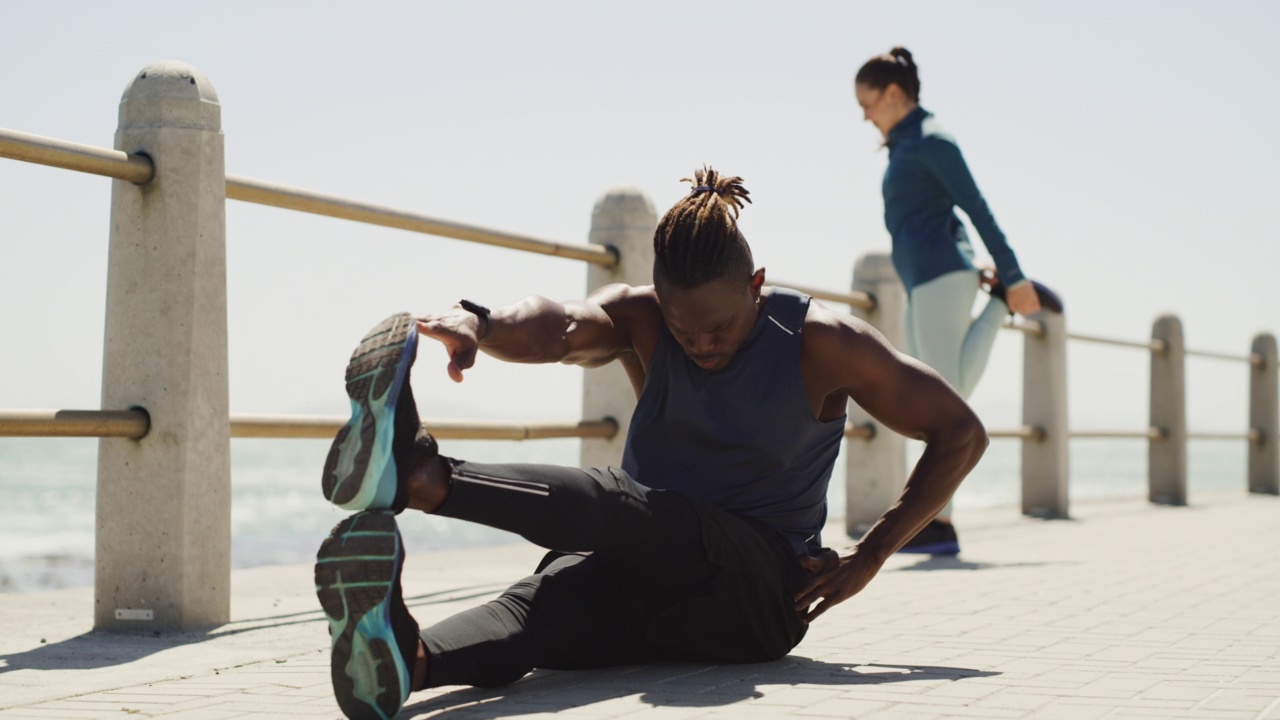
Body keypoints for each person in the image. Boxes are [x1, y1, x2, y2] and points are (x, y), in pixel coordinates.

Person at [314, 167, 988, 720]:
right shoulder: (644, 320)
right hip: (651, 577)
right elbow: (561, 327)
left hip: (755, 597)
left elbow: (960, 432)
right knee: (546, 606)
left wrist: (872, 554)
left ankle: (423, 478)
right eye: (681, 326)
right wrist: (480, 325)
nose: (699, 345)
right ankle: (407, 661)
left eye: (718, 327)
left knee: (627, 505)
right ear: (659, 299)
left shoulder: (823, 342)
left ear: (756, 287)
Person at [854, 47, 1061, 556]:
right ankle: (935, 521)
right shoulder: (905, 146)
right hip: (923, 280)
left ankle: (937, 524)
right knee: (939, 394)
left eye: (868, 102)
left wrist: (1011, 276)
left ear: (895, 94)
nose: (864, 115)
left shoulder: (932, 141)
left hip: (945, 277)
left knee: (939, 402)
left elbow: (977, 207)